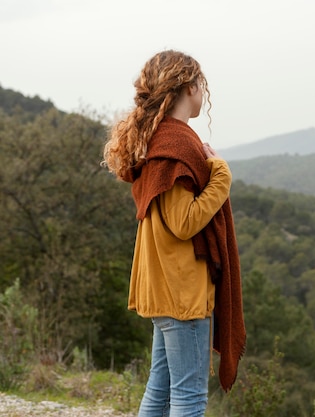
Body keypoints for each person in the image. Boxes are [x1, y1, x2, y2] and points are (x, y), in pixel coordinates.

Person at [102, 50, 245, 417]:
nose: (204, 93)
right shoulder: (177, 143)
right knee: (189, 397)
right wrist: (221, 178)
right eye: (202, 85)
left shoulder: (156, 139)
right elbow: (184, 222)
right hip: (182, 291)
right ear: (189, 87)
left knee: (160, 388)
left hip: (163, 285)